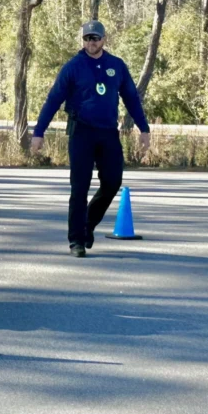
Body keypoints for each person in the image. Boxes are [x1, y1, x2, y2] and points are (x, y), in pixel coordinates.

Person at [30, 20, 151, 257]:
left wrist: (144, 129)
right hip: (81, 132)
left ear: (104, 40)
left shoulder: (116, 65)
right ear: (83, 41)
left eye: (95, 38)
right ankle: (76, 241)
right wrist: (38, 132)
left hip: (108, 132)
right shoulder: (73, 67)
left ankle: (88, 224)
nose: (91, 43)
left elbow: (132, 99)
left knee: (113, 182)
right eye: (87, 38)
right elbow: (53, 100)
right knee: (79, 187)